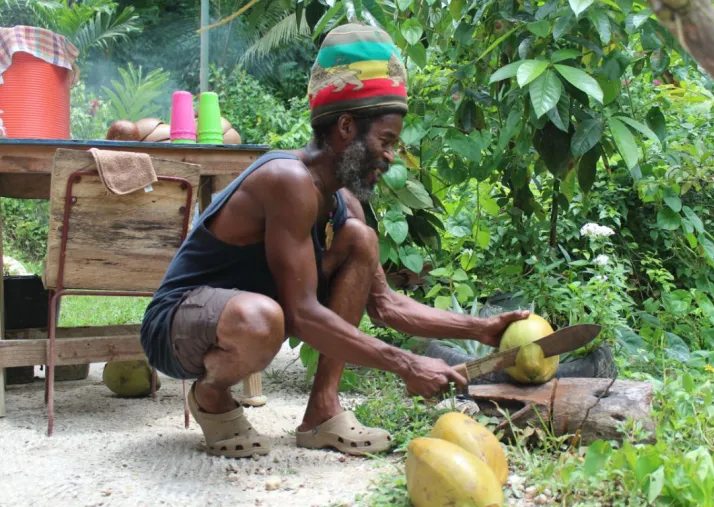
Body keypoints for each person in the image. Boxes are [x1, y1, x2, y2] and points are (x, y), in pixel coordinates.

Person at [140, 22, 529, 458]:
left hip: (245, 314)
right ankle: (211, 397)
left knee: (360, 240)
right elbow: (302, 315)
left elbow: (386, 306)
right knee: (262, 318)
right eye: (385, 140)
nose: (390, 156)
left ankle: (322, 412)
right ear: (346, 126)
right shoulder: (287, 179)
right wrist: (406, 363)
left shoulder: (343, 199)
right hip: (175, 326)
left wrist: (483, 329)